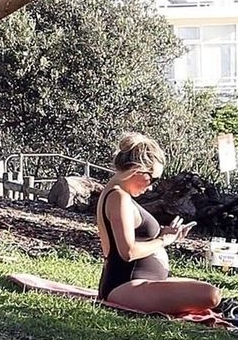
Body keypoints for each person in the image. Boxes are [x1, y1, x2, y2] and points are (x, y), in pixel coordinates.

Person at [93, 132, 222, 315]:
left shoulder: (119, 196)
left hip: (140, 281)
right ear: (137, 169)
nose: (152, 186)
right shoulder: (118, 197)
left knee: (209, 290)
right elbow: (127, 252)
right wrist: (164, 240)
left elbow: (132, 236)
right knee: (210, 295)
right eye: (151, 178)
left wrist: (166, 233)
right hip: (127, 285)